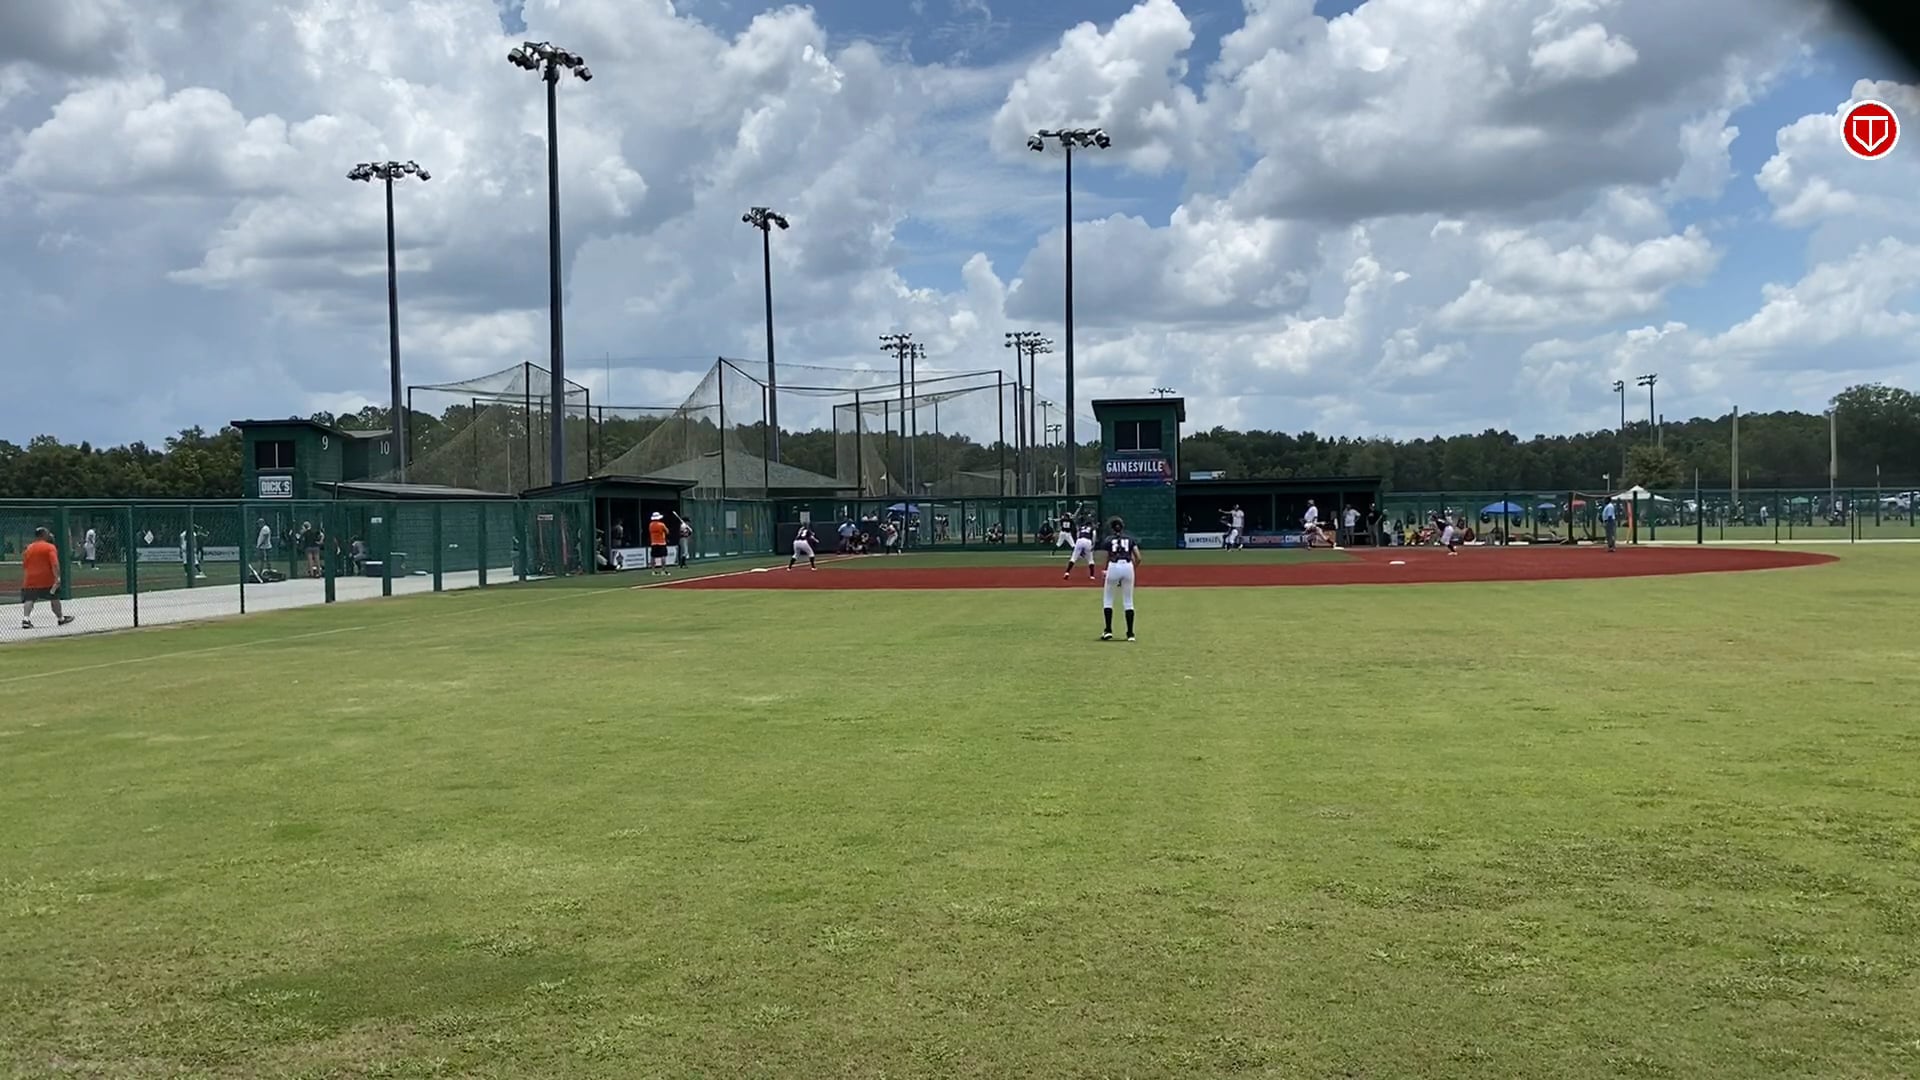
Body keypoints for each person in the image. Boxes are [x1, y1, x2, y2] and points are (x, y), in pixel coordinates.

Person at [19, 527, 74, 629]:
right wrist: (57, 577)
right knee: (54, 598)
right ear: (43, 535)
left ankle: (26, 619)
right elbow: (54, 564)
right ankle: (60, 618)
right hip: (47, 579)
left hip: (31, 579)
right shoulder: (50, 547)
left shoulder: (29, 548)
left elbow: (25, 564)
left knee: (29, 599)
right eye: (47, 533)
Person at [1099, 516, 1138, 641]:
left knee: (1108, 599)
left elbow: (1107, 555)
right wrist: (1131, 568)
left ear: (1112, 528)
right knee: (1128, 601)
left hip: (1114, 566)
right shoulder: (1130, 539)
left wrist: (1106, 570)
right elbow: (1138, 557)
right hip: (1127, 565)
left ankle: (1108, 630)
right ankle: (1130, 634)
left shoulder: (1109, 540)